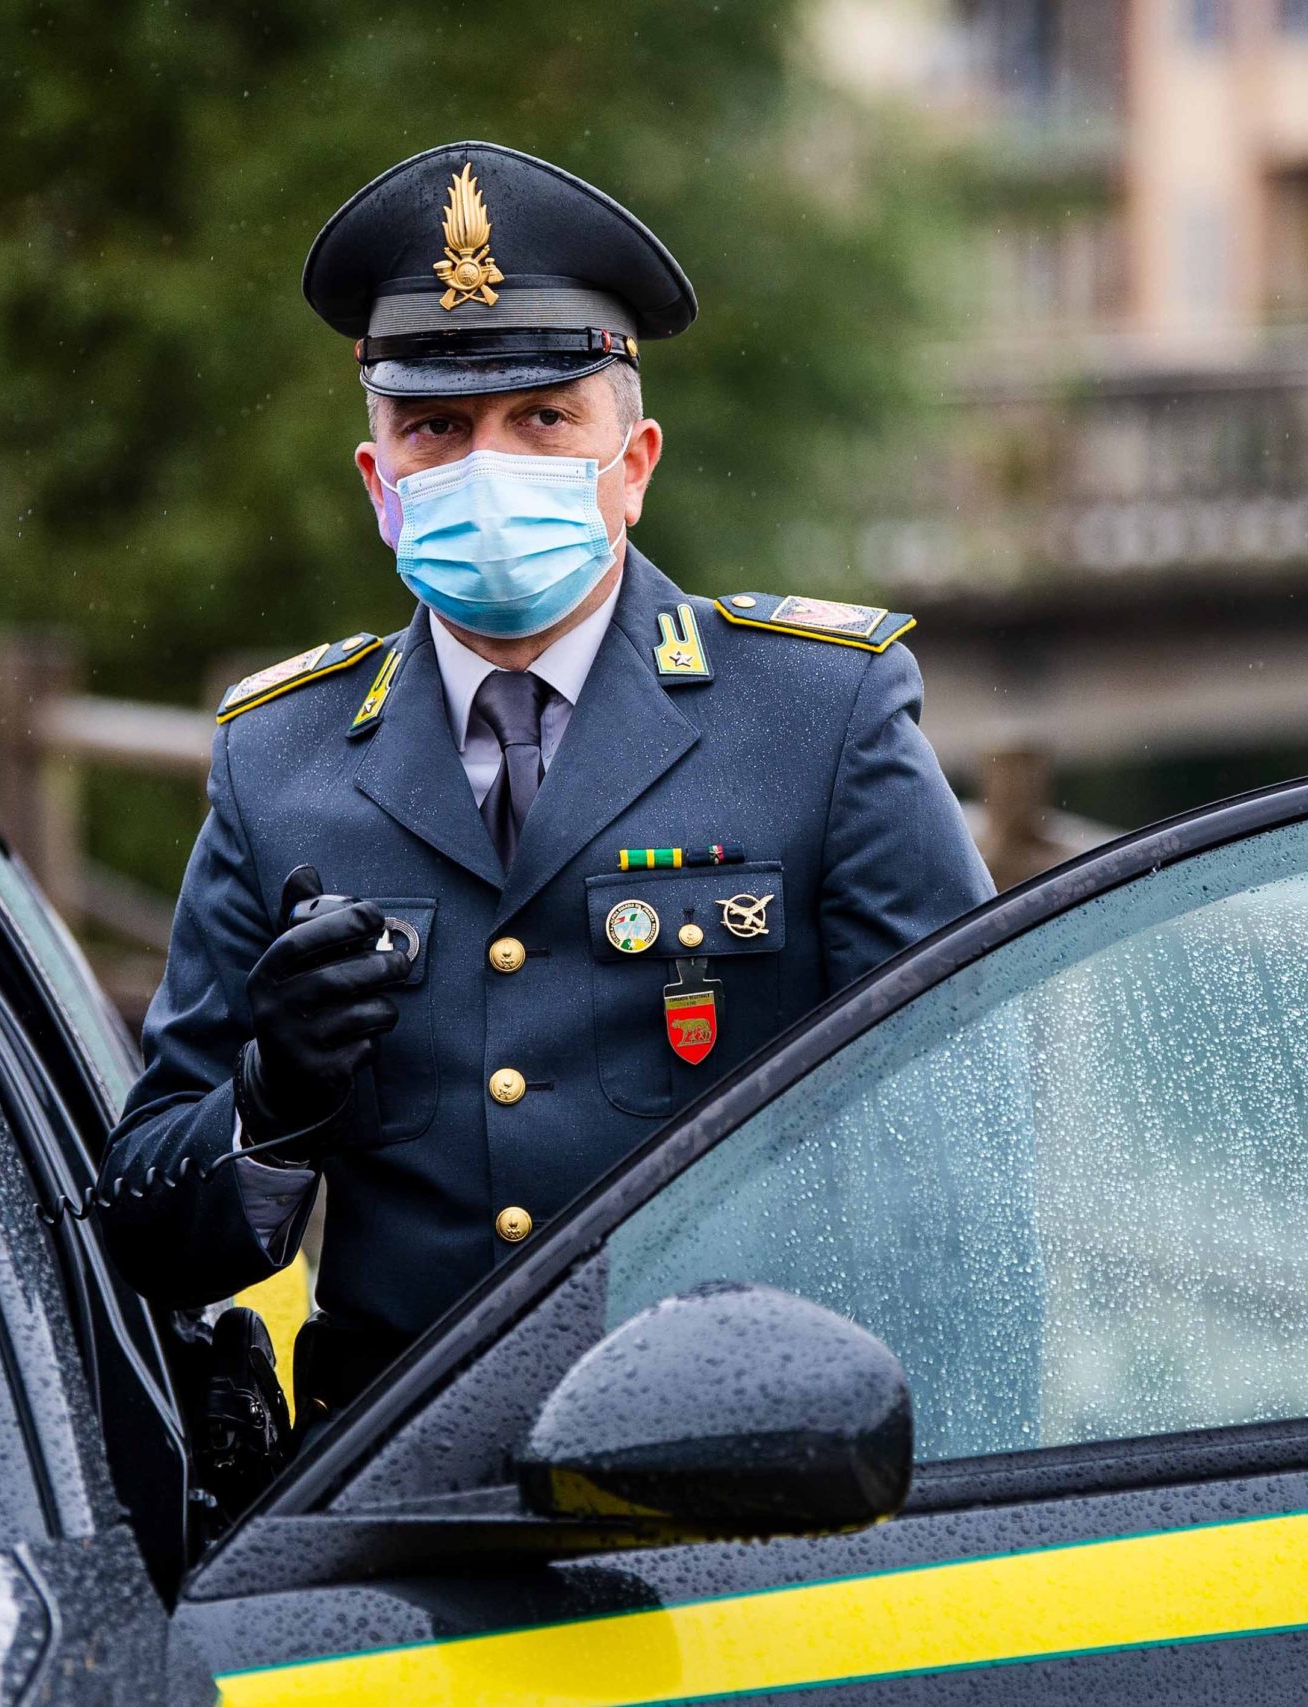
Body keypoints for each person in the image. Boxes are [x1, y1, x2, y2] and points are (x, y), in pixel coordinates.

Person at [97, 140, 993, 1422]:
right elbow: (145, 1232)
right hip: (392, 1477)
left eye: (543, 419)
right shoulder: (278, 759)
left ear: (634, 465)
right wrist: (266, 1105)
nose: (488, 466)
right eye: (435, 429)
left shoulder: (817, 716)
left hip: (734, 1454)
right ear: (380, 485)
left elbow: (954, 1159)